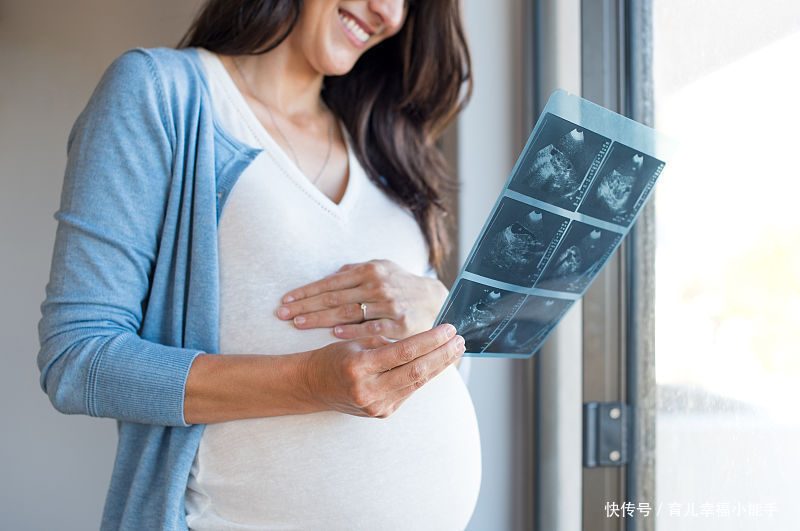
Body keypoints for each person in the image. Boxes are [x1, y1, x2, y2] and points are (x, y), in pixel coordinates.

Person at [37, 0, 481, 529]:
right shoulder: (165, 93)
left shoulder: (386, 146)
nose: (387, 11)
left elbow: (440, 373)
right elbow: (78, 359)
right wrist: (308, 382)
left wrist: (439, 311)